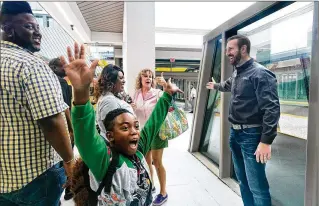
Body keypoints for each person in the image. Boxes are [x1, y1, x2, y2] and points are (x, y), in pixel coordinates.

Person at [59, 42, 181, 205]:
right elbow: (85, 135)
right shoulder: (105, 161)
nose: (134, 131)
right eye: (125, 127)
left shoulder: (138, 151)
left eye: (136, 126)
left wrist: (167, 95)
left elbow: (152, 125)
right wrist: (80, 93)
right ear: (110, 135)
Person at [0, 1, 74, 205]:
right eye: (29, 27)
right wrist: (69, 161)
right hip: (35, 176)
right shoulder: (31, 65)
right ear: (7, 27)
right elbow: (51, 121)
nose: (37, 33)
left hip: (5, 178)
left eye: (38, 27)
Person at [206, 34, 280, 206]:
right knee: (244, 183)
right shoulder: (239, 72)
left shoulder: (260, 73)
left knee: (257, 187)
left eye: (230, 49)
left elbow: (272, 108)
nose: (227, 53)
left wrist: (266, 141)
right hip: (236, 134)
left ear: (243, 49)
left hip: (252, 136)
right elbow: (228, 85)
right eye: (226, 50)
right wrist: (215, 86)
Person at [132, 69, 168, 205]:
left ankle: (163, 193)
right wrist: (131, 107)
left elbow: (168, 99)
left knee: (157, 162)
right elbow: (136, 113)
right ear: (140, 79)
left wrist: (165, 86)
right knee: (146, 163)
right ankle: (150, 186)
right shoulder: (136, 94)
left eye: (150, 76)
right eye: (145, 76)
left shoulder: (157, 93)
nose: (148, 78)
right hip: (143, 132)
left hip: (158, 133)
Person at [49, 57, 74, 201]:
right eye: (63, 67)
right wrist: (71, 128)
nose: (66, 69)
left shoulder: (63, 83)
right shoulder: (61, 82)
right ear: (54, 68)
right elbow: (64, 108)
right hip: (62, 127)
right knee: (66, 157)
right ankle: (69, 188)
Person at [94, 64, 134, 139]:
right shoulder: (109, 101)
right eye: (121, 78)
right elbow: (114, 129)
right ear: (112, 82)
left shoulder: (111, 97)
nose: (124, 81)